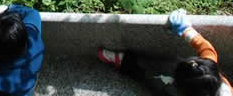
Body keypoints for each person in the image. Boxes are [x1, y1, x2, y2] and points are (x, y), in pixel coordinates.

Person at [97, 9, 233, 96]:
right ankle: (127, 62)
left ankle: (126, 63)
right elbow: (205, 48)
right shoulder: (209, 70)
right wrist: (185, 29)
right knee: (160, 72)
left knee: (151, 81)